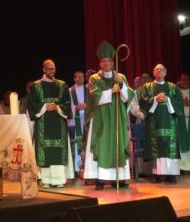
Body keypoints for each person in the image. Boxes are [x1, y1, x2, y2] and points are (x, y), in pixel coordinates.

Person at [83, 40, 133, 190]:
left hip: (117, 115)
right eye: (103, 61)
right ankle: (101, 178)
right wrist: (111, 91)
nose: (106, 63)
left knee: (118, 142)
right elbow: (94, 97)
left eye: (109, 61)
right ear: (100, 63)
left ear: (113, 62)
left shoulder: (121, 77)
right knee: (102, 144)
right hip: (101, 117)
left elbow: (128, 97)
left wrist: (122, 85)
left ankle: (121, 177)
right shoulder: (94, 79)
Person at [27, 59, 74, 189]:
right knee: (45, 150)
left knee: (58, 150)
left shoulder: (62, 85)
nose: (51, 71)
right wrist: (44, 107)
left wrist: (57, 108)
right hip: (43, 122)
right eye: (48, 68)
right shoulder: (36, 86)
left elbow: (67, 103)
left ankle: (59, 179)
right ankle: (46, 179)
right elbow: (31, 104)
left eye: (53, 68)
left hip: (58, 121)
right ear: (43, 70)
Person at [139, 64, 183, 183]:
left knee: (169, 145)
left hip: (170, 121)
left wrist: (168, 99)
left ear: (166, 72)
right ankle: (156, 174)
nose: (159, 70)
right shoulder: (147, 87)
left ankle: (171, 174)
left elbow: (179, 102)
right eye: (157, 69)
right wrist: (154, 99)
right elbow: (142, 101)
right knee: (156, 145)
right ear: (153, 72)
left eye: (162, 69)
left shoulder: (173, 87)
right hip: (154, 121)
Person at [68, 71, 87, 176]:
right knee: (77, 143)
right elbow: (67, 106)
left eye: (82, 77)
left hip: (86, 119)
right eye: (78, 77)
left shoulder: (88, 90)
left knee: (86, 142)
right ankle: (77, 168)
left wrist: (85, 105)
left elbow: (93, 104)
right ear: (74, 79)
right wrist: (75, 107)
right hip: (76, 119)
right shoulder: (70, 91)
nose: (81, 78)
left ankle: (86, 167)